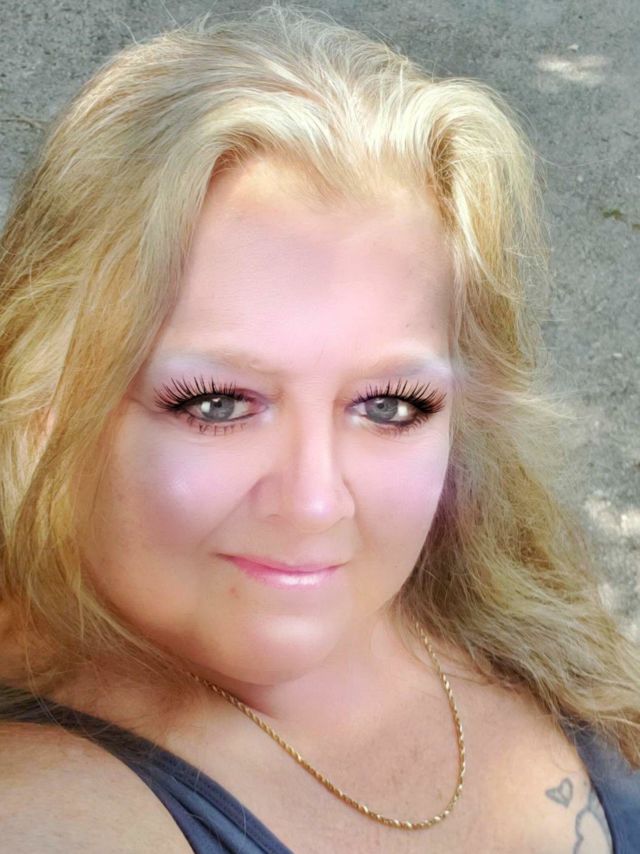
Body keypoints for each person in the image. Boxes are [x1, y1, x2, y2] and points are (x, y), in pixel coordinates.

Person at [0, 5, 638, 852]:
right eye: (217, 403)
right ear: (46, 397)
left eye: (389, 405)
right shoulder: (44, 804)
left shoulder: (495, 589)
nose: (313, 504)